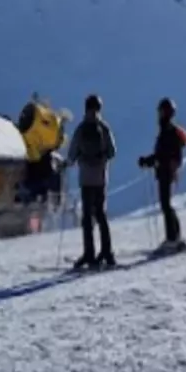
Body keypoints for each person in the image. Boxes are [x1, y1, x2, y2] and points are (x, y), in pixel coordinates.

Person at [65, 93, 116, 269]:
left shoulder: (81, 128)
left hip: (86, 179)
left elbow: (72, 154)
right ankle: (107, 253)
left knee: (87, 218)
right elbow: (112, 152)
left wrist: (71, 162)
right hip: (101, 178)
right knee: (101, 215)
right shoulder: (104, 127)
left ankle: (89, 254)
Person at [138, 97, 186, 252]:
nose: (158, 114)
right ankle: (175, 236)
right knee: (166, 204)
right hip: (167, 170)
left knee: (166, 204)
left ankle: (172, 238)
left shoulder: (168, 131)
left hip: (166, 171)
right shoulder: (168, 130)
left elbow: (163, 154)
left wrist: (149, 161)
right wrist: (151, 161)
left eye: (160, 111)